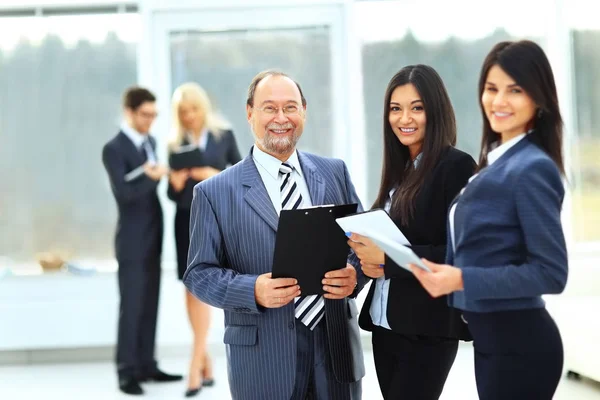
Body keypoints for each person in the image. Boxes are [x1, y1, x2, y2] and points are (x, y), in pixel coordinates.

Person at [183, 70, 366, 400]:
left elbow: (365, 247)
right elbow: (199, 274)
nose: (281, 118)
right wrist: (252, 289)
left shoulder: (334, 172)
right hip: (262, 360)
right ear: (250, 112)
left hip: (335, 350)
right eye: (270, 108)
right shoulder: (214, 192)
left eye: (290, 107)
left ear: (304, 112)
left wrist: (356, 274)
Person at [410, 40, 568, 400]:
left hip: (520, 343)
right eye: (492, 88)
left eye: (515, 90)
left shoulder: (532, 167)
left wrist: (461, 279)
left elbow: (551, 273)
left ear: (539, 98)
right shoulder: (497, 160)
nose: (498, 101)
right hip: (492, 341)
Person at [346, 65, 476, 399]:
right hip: (386, 324)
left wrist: (387, 259)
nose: (405, 118)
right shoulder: (400, 171)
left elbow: (461, 254)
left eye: (416, 107)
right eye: (395, 108)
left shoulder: (456, 166)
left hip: (427, 328)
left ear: (436, 111)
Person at [102, 86, 182, 395]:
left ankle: (147, 364)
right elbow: (125, 194)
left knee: (150, 303)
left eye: (154, 115)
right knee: (132, 305)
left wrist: (162, 176)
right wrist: (151, 175)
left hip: (154, 236)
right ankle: (126, 371)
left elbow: (150, 187)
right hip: (132, 240)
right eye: (145, 115)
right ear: (129, 112)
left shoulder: (151, 142)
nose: (150, 121)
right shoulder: (114, 148)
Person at [166, 82, 242, 397]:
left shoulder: (224, 136)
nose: (188, 117)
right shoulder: (174, 144)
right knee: (191, 288)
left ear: (203, 108)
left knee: (210, 284)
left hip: (219, 219)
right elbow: (172, 195)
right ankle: (201, 361)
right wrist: (175, 181)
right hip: (186, 221)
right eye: (182, 113)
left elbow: (241, 175)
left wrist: (211, 172)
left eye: (193, 110)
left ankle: (196, 363)